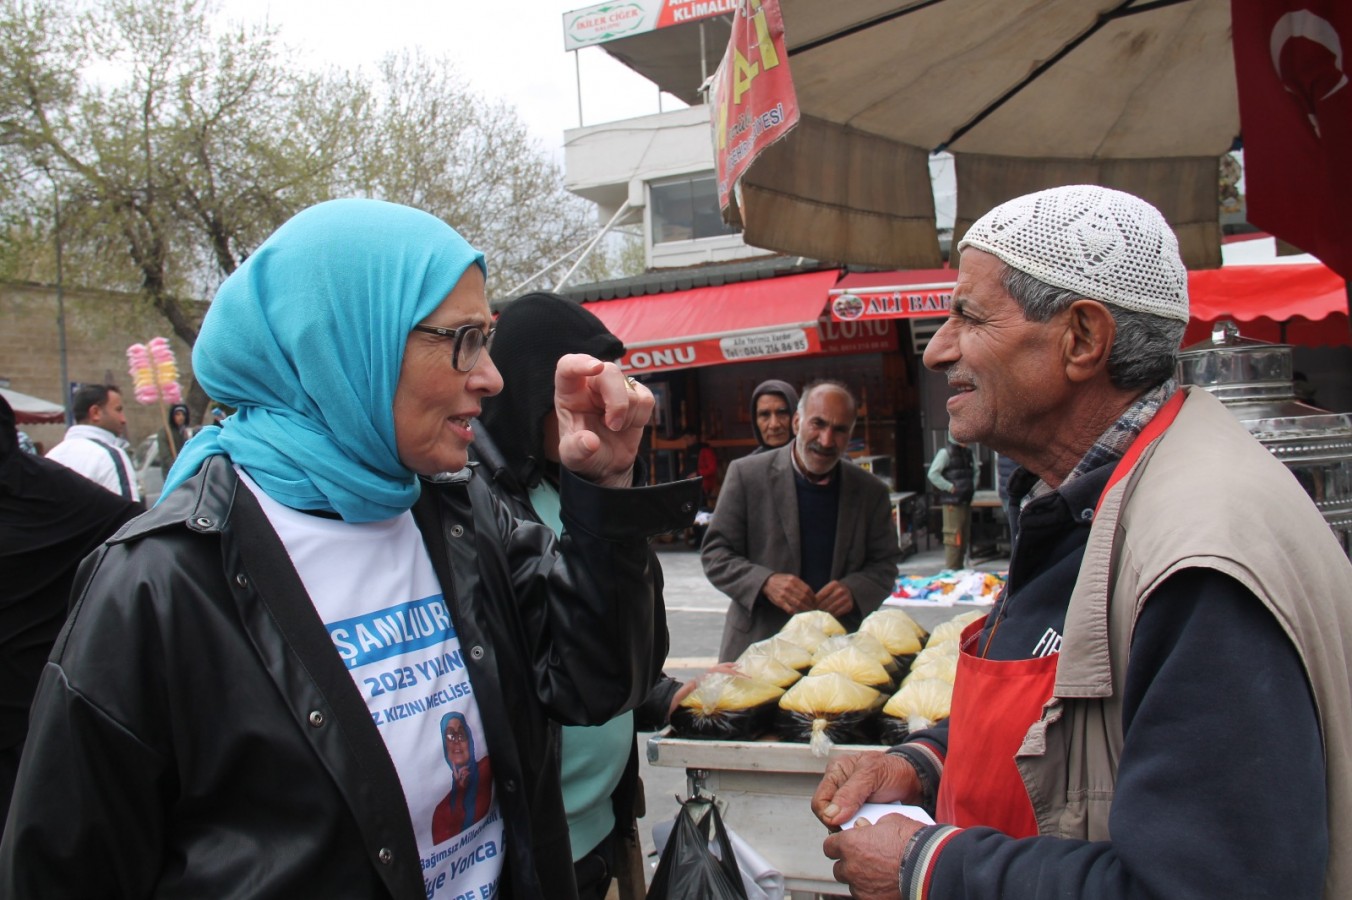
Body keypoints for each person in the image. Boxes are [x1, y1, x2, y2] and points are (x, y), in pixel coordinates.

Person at [0, 198, 698, 900]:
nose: (492, 377)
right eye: (463, 340)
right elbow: (62, 869)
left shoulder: (463, 513)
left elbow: (596, 684)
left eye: (486, 338)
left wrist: (603, 490)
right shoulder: (161, 582)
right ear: (343, 342)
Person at [812, 185, 1352, 899]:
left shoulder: (1197, 560)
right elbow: (1074, 724)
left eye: (969, 316)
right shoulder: (1089, 498)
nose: (939, 350)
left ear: (1082, 339)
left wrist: (930, 868)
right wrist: (926, 762)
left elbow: (1212, 884)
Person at [471, 291, 731, 900]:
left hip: (602, 825)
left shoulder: (580, 488)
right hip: (533, 842)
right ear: (532, 391)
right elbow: (530, 661)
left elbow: (605, 630)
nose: (597, 412)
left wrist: (662, 694)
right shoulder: (480, 505)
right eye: (578, 396)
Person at [0, 394, 139, 832]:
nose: (124, 419)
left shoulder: (49, 485)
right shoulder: (50, 483)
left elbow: (139, 538)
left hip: (32, 716)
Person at [703, 380, 903, 662]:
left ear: (850, 435)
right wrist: (765, 582)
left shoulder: (871, 492)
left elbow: (885, 564)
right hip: (758, 649)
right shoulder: (746, 475)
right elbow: (715, 554)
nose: (826, 440)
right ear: (797, 422)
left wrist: (855, 590)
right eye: (817, 424)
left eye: (839, 430)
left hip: (837, 655)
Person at [44, 383, 140, 502]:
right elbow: (129, 511)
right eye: (118, 410)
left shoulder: (51, 457)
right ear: (95, 413)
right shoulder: (110, 455)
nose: (123, 419)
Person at [431, 711, 494, 843]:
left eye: (461, 734)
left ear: (469, 740)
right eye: (450, 735)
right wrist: (459, 793)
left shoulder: (489, 765)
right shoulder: (440, 812)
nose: (457, 741)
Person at [925, 432, 980, 570]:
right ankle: (951, 570)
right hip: (952, 502)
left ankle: (959, 569)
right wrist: (949, 487)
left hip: (966, 500)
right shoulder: (945, 453)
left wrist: (972, 487)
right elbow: (933, 474)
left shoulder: (968, 453)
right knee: (953, 537)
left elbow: (976, 471)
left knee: (964, 536)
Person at [749, 379, 798, 453]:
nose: (774, 425)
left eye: (782, 413)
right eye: (765, 415)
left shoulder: (813, 459)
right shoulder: (751, 460)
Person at [158, 403, 193, 477]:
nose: (181, 417)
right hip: (171, 473)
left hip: (184, 472)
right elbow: (165, 455)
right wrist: (175, 467)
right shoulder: (165, 432)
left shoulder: (184, 432)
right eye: (178, 414)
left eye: (183, 415)